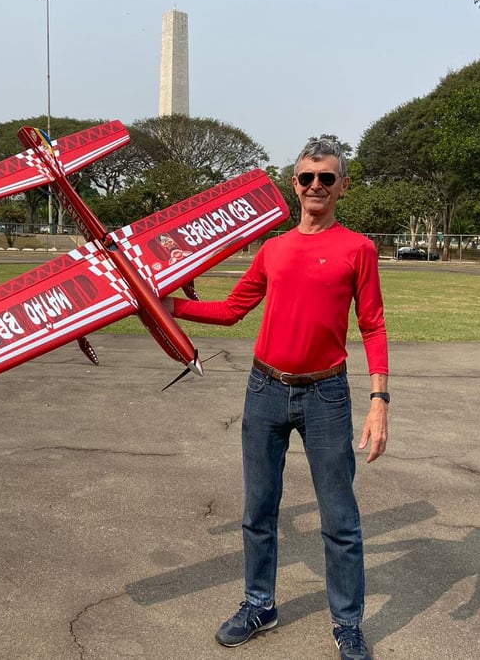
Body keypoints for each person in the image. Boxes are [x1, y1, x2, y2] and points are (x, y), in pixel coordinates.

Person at [165, 137, 389, 660]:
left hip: (327, 395)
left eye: (327, 178)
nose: (316, 186)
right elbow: (230, 310)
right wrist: (165, 306)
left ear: (342, 186)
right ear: (294, 184)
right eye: (307, 177)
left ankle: (347, 623)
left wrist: (379, 400)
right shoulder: (273, 248)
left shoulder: (358, 248)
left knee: (340, 519)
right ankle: (259, 604)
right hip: (265, 389)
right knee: (259, 509)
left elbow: (373, 325)